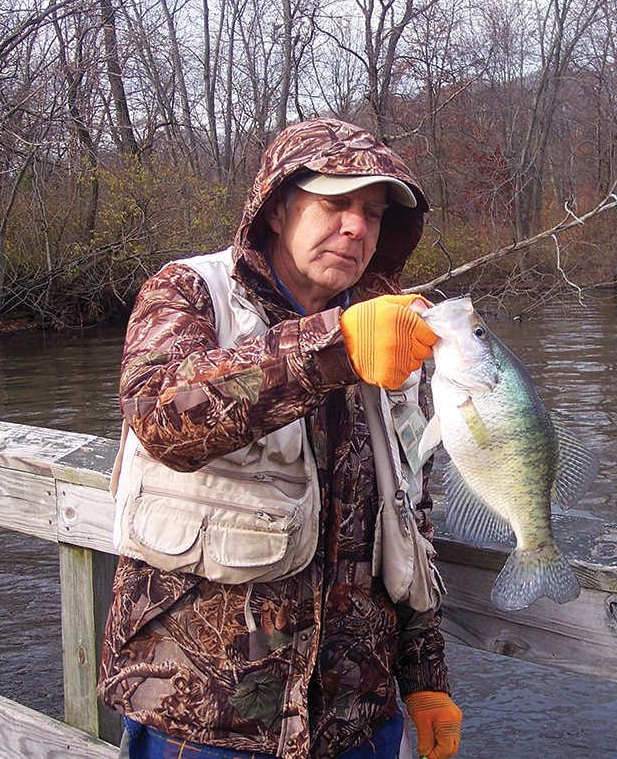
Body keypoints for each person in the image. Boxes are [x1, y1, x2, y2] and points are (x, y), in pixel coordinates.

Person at [99, 118, 463, 759]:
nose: (357, 227)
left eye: (373, 214)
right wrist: (334, 346)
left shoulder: (393, 336)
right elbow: (159, 411)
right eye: (336, 203)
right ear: (276, 208)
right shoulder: (189, 292)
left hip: (358, 724)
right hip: (203, 722)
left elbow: (411, 518)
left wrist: (425, 681)